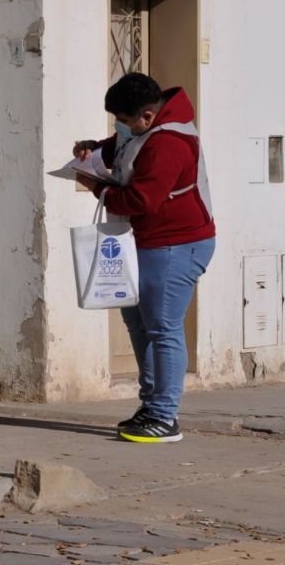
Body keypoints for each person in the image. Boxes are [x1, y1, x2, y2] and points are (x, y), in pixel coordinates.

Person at [73, 73, 215, 443]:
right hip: (143, 241)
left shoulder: (168, 143)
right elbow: (118, 146)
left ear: (147, 116)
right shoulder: (142, 129)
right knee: (138, 324)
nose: (117, 127)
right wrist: (92, 149)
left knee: (163, 328)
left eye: (122, 119)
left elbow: (141, 200)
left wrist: (98, 188)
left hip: (175, 244)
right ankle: (151, 405)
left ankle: (165, 417)